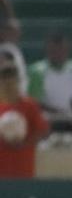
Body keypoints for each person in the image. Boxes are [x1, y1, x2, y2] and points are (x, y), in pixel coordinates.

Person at [0, 51, 48, 179]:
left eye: (12, 76)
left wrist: (24, 143)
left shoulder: (28, 105)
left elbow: (43, 131)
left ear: (18, 79)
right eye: (4, 76)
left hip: (23, 171)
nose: (8, 81)